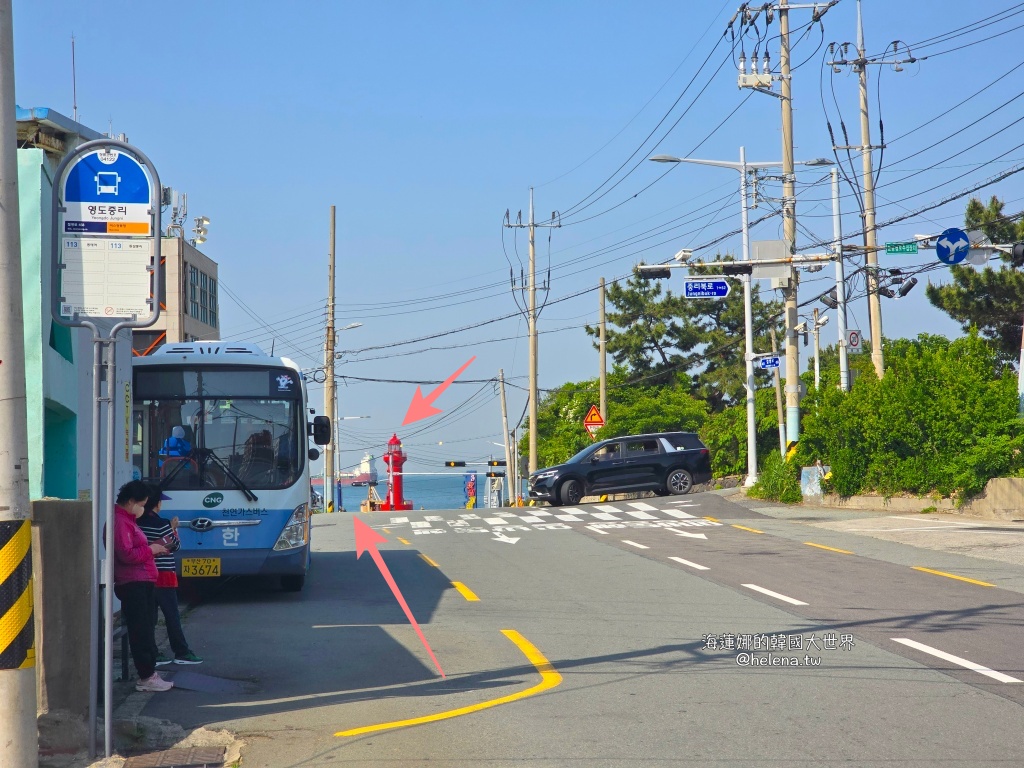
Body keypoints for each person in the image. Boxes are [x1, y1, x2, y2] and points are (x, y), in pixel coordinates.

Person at [110, 480, 174, 692]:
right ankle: (146, 676)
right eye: (142, 504)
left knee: (145, 628)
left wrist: (154, 548)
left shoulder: (127, 520)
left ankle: (149, 673)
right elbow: (126, 554)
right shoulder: (121, 522)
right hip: (133, 582)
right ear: (131, 501)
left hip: (142, 580)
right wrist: (152, 549)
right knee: (141, 630)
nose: (144, 509)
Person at [138, 488, 203, 666]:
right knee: (172, 615)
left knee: (149, 616)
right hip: (164, 575)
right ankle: (181, 651)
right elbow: (175, 546)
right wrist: (173, 529)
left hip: (144, 575)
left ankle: (154, 653)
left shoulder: (136, 523)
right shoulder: (162, 523)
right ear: (156, 504)